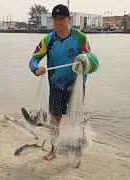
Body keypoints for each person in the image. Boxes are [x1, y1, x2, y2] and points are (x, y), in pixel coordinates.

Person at [28, 4, 99, 168]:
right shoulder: (48, 40)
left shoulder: (80, 37)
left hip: (76, 86)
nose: (58, 22)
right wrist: (36, 69)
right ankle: (54, 149)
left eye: (61, 18)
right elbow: (33, 60)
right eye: (55, 19)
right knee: (55, 119)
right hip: (56, 85)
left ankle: (76, 154)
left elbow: (90, 58)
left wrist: (86, 60)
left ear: (69, 19)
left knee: (75, 120)